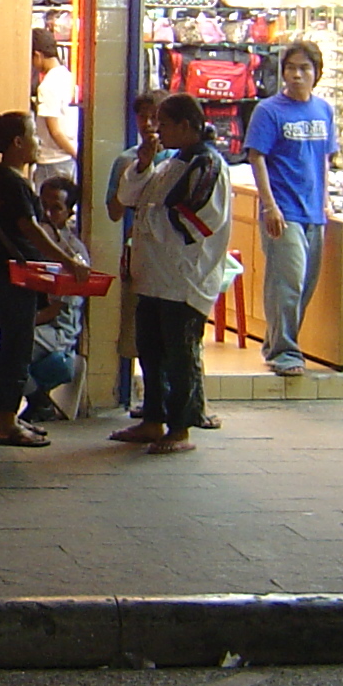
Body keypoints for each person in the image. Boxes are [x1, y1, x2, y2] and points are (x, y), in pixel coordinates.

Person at [109, 92, 231, 455]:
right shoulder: (172, 162)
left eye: (163, 123)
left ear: (184, 125)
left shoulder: (209, 166)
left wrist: (153, 223)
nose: (156, 129)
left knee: (180, 356)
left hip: (183, 279)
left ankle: (180, 427)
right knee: (151, 351)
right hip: (154, 277)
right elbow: (130, 197)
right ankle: (153, 418)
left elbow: (199, 221)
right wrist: (143, 164)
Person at [0, 125, 88, 447]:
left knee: (13, 348)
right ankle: (6, 423)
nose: (39, 143)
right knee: (15, 351)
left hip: (0, 272)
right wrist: (69, 261)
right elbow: (31, 229)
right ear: (17, 141)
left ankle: (3, 418)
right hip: (16, 277)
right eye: (34, 136)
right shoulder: (12, 182)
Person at [244, 39, 338, 379]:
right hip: (282, 210)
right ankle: (285, 351)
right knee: (288, 280)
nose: (297, 75)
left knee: (307, 282)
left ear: (316, 74)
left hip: (313, 211)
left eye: (304, 68)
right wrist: (269, 206)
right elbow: (257, 156)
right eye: (291, 68)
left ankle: (276, 343)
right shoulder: (269, 111)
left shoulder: (324, 110)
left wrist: (324, 200)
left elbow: (325, 158)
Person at [105, 89, 169, 412]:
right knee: (140, 332)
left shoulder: (179, 160)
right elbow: (114, 211)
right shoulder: (125, 160)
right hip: (139, 258)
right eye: (143, 117)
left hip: (174, 262)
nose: (149, 124)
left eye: (156, 117)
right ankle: (151, 400)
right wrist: (136, 173)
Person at [28, 29, 76, 191]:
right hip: (67, 156)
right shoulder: (67, 76)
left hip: (51, 159)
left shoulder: (48, 86)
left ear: (37, 55)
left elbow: (54, 131)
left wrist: (76, 155)